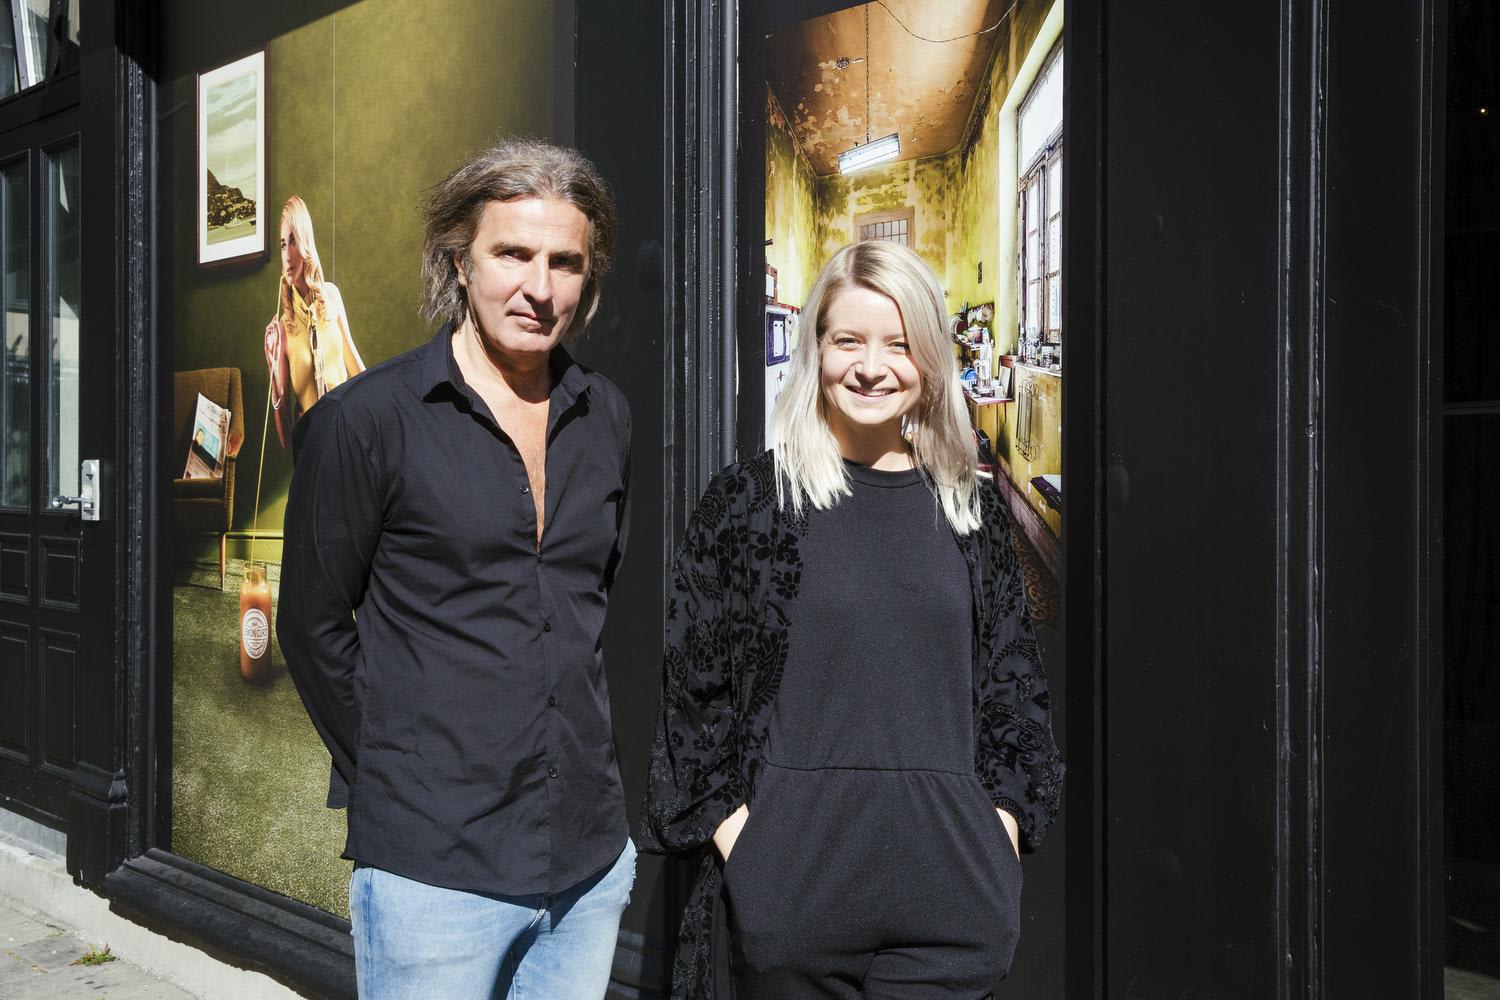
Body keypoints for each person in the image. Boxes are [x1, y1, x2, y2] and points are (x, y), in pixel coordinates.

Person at [640, 241, 1064, 999]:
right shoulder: (747, 506)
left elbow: (1015, 696)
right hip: (793, 906)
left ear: (930, 358)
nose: (873, 367)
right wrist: (753, 852)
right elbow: (692, 701)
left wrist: (996, 836)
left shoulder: (971, 514)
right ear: (816, 350)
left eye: (899, 344)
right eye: (849, 341)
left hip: (950, 909)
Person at [278, 138, 634, 1000]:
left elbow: (587, 605)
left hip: (586, 866)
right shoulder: (368, 421)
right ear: (460, 261)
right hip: (433, 875)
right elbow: (312, 626)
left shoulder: (606, 417)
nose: (539, 287)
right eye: (512, 254)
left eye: (564, 263)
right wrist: (404, 775)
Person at [263, 195, 366, 452]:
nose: (287, 255)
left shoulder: (331, 296)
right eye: (283, 245)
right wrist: (272, 369)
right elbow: (286, 440)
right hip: (313, 447)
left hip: (347, 433)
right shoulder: (283, 330)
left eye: (293, 241)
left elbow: (356, 367)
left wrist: (381, 408)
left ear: (306, 242)